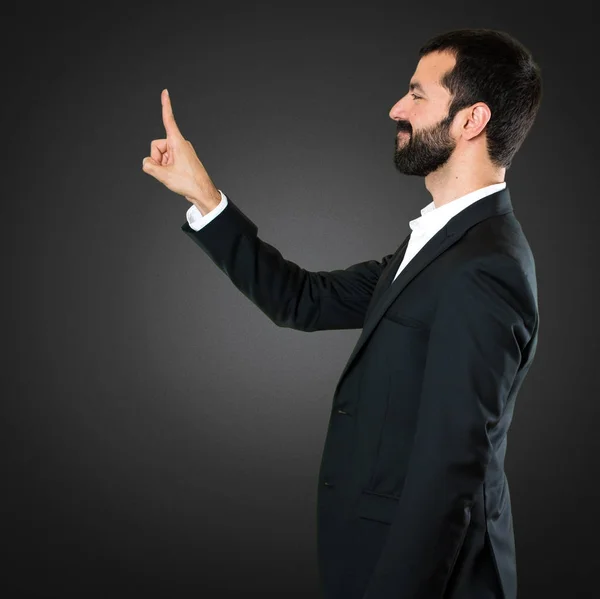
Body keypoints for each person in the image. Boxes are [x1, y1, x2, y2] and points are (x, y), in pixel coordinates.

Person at [142, 27, 542, 599]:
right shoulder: (437, 243)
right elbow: (301, 300)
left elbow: (449, 474)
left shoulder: (484, 268)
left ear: (471, 121)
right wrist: (204, 197)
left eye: (417, 95)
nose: (395, 108)